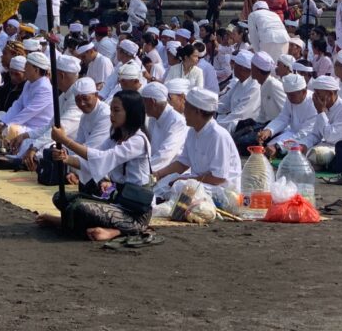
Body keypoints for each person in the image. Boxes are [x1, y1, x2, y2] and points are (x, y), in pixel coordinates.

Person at [37, 90, 153, 242]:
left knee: (81, 208)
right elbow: (94, 159)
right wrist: (67, 159)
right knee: (61, 197)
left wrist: (66, 140)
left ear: (131, 113)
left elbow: (103, 158)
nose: (111, 115)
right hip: (118, 200)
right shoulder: (115, 137)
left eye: (116, 110)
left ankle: (118, 230)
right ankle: (77, 224)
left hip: (136, 210)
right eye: (111, 110)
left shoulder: (138, 140)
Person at [154, 88, 243, 199]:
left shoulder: (218, 135)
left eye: (187, 108)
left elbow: (218, 178)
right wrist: (158, 174)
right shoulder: (192, 131)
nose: (184, 111)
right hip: (200, 182)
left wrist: (188, 180)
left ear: (198, 112)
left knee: (180, 185)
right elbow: (183, 163)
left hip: (223, 191)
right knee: (164, 182)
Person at [294, 75, 342, 169]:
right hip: (328, 146)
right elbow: (315, 135)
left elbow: (330, 137)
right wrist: (303, 145)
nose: (315, 97)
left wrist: (321, 112)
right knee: (297, 150)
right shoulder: (324, 107)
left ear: (330, 94)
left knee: (317, 154)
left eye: (318, 94)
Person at [258, 74, 318, 157]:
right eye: (287, 94)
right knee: (267, 146)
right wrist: (268, 130)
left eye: (292, 95)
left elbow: (305, 132)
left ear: (304, 92)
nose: (289, 98)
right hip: (292, 133)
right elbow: (283, 118)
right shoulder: (291, 98)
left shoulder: (314, 102)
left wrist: (278, 146)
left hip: (309, 137)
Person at [70, 78, 113, 149]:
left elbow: (91, 149)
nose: (82, 103)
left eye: (85, 98)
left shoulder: (105, 115)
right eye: (77, 100)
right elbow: (79, 142)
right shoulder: (84, 116)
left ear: (96, 95)